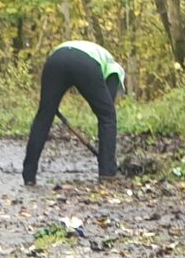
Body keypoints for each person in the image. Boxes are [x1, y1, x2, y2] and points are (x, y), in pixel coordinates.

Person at [22, 40, 123, 186]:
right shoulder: (116, 69)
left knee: (44, 117)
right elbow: (107, 106)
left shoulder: (97, 52)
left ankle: (29, 174)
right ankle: (108, 173)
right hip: (84, 63)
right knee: (108, 116)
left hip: (56, 59)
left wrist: (50, 101)